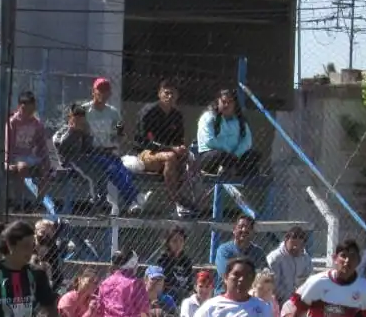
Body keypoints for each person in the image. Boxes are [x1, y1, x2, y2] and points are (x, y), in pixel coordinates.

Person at [52, 104, 141, 214]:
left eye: (82, 116)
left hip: (84, 158)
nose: (80, 119)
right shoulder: (65, 130)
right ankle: (97, 202)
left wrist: (105, 150)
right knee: (95, 175)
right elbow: (61, 146)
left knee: (111, 164)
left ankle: (131, 198)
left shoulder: (84, 129)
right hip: (70, 161)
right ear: (70, 117)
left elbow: (88, 149)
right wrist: (74, 131)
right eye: (77, 116)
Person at [134, 80, 191, 217]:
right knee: (170, 157)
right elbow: (144, 142)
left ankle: (192, 201)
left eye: (173, 93)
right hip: (146, 154)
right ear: (159, 93)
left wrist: (181, 148)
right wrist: (171, 149)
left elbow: (178, 141)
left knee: (190, 158)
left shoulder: (177, 115)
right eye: (166, 93)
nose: (170, 96)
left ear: (177, 96)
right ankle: (176, 202)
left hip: (169, 155)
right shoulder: (148, 112)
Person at [196, 87, 262, 179]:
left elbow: (247, 141)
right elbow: (209, 141)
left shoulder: (240, 120)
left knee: (253, 155)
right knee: (219, 155)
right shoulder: (208, 117)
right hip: (212, 156)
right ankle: (232, 169)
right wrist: (228, 153)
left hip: (235, 156)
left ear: (235, 104)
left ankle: (230, 169)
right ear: (217, 102)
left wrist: (236, 154)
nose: (227, 105)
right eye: (223, 102)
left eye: (230, 102)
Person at [98, 250, 151, 317]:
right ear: (133, 263)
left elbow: (100, 306)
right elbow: (144, 307)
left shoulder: (105, 282)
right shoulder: (135, 283)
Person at [213, 216, 267, 290]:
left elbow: (264, 276)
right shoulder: (224, 250)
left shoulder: (259, 252)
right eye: (241, 226)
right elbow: (226, 275)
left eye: (248, 227)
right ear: (234, 230)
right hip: (226, 294)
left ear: (253, 232)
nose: (244, 230)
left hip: (251, 294)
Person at [267, 226, 313, 304]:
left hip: (299, 300)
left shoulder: (306, 259)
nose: (296, 249)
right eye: (293, 246)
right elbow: (273, 285)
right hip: (277, 301)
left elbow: (308, 280)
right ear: (286, 240)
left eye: (299, 246)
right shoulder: (275, 258)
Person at [155, 226, 195, 304]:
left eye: (181, 241)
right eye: (174, 241)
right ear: (168, 243)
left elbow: (189, 285)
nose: (178, 244)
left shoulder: (186, 261)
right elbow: (160, 285)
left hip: (184, 296)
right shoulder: (163, 260)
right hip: (167, 297)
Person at [82, 77, 123, 153]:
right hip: (87, 153)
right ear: (93, 92)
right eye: (100, 90)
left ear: (109, 94)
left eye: (106, 91)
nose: (103, 94)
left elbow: (120, 131)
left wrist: (115, 141)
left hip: (107, 152)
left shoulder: (114, 112)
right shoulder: (83, 110)